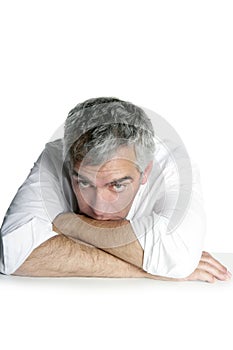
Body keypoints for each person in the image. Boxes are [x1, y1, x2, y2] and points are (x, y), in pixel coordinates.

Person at [0, 97, 231, 282]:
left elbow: (179, 256)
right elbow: (12, 252)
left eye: (118, 185)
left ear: (145, 172)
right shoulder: (57, 155)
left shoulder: (173, 164)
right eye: (84, 183)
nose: (98, 207)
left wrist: (67, 223)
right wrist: (149, 270)